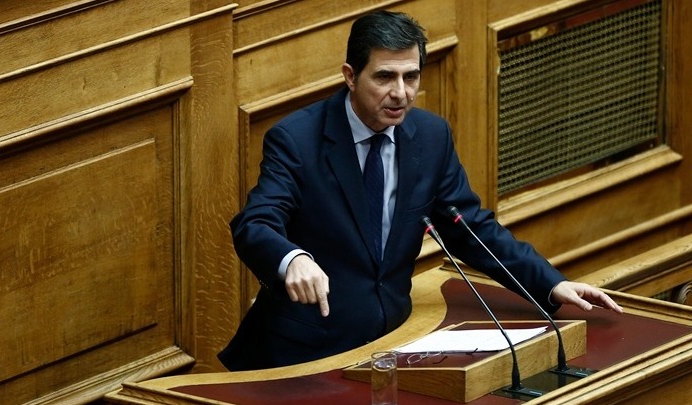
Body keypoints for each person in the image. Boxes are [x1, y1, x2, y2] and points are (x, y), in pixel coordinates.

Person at [218, 10, 623, 372]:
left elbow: (469, 227)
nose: (401, 93)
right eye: (384, 77)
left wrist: (549, 283)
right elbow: (255, 224)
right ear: (350, 76)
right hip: (305, 355)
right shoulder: (297, 139)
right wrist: (292, 259)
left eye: (410, 76)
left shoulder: (430, 136)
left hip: (392, 345)